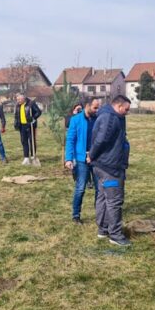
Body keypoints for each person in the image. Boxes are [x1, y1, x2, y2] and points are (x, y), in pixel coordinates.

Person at [87, 95, 131, 246]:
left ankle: (103, 229)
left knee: (103, 197)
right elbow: (100, 140)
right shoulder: (111, 119)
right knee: (114, 201)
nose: (127, 112)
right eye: (126, 109)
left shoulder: (109, 115)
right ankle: (115, 234)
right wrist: (91, 155)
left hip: (102, 166)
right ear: (118, 106)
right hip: (110, 167)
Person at [65, 96, 100, 224]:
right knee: (80, 188)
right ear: (87, 106)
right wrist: (68, 158)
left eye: (98, 107)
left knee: (99, 188)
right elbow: (70, 140)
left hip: (96, 159)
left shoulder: (99, 119)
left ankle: (99, 213)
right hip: (81, 159)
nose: (97, 110)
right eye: (95, 107)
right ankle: (76, 215)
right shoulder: (75, 120)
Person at [13, 93, 42, 165]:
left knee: (32, 140)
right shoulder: (17, 105)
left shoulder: (31, 103)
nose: (18, 101)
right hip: (22, 126)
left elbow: (38, 112)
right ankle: (26, 157)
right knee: (24, 141)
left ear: (24, 98)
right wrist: (16, 123)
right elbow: (16, 115)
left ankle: (33, 156)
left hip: (30, 125)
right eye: (17, 99)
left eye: (19, 99)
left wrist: (33, 118)